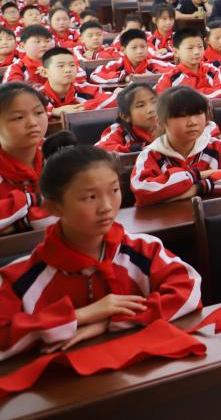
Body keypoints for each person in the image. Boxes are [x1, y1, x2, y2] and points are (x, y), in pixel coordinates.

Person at [0, 134, 202, 357]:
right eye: (90, 197)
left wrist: (110, 322)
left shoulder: (144, 249)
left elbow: (189, 289)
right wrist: (82, 315)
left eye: (114, 190)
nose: (106, 206)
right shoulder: (23, 276)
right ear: (54, 208)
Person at [130, 87, 221, 206]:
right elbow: (142, 190)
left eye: (198, 113)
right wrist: (198, 175)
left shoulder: (216, 146)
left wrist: (199, 187)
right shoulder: (150, 155)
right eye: (182, 116)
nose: (193, 122)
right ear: (160, 122)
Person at [0, 83, 53, 234]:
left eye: (38, 112)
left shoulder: (55, 153)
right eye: (18, 117)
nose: (33, 123)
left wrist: (19, 223)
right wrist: (32, 201)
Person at [37, 48, 117, 114]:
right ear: (45, 72)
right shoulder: (38, 95)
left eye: (72, 65)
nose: (68, 70)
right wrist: (54, 111)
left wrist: (83, 107)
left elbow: (113, 99)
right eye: (60, 66)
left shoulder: (86, 88)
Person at [90, 29, 172, 87]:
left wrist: (152, 76)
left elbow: (174, 71)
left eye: (143, 47)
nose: (139, 51)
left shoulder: (152, 63)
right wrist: (123, 77)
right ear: (123, 50)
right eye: (134, 48)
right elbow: (95, 75)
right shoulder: (117, 64)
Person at [95, 83, 158, 153]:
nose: (151, 109)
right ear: (125, 116)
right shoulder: (120, 131)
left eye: (154, 101)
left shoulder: (166, 124)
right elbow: (100, 150)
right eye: (141, 105)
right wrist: (135, 149)